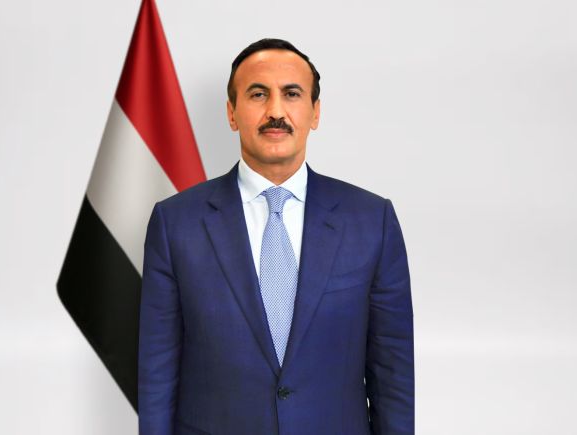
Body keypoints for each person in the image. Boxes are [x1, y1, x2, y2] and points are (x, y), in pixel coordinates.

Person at [138, 38, 414, 435]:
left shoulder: (372, 221)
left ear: (315, 112)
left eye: (292, 94)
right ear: (232, 113)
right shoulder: (175, 223)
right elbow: (157, 374)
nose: (276, 112)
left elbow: (393, 373)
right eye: (258, 94)